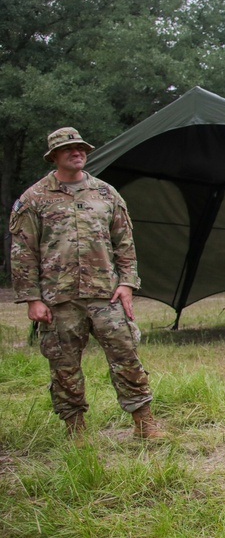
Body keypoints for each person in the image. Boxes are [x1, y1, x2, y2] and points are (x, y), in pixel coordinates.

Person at [8, 127, 165, 444]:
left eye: (80, 147)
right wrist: (32, 299)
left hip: (105, 295)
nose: (76, 152)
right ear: (54, 156)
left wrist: (127, 284)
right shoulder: (34, 198)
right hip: (59, 299)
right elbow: (23, 251)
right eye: (68, 149)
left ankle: (145, 424)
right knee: (64, 367)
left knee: (126, 357)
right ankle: (76, 432)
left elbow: (125, 243)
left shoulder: (106, 194)